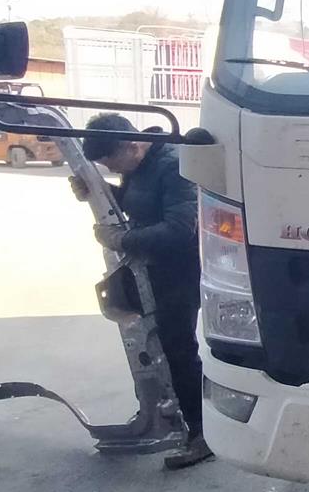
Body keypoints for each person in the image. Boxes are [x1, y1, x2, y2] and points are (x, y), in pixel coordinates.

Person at [79, 113, 213, 468]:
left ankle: (203, 434)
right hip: (156, 270)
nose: (111, 168)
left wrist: (123, 240)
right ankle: (179, 416)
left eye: (111, 162)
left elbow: (180, 228)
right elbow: (140, 201)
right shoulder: (140, 163)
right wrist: (103, 193)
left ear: (132, 145)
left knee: (179, 350)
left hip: (181, 271)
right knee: (164, 347)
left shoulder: (173, 166)